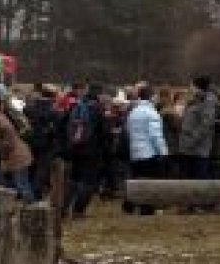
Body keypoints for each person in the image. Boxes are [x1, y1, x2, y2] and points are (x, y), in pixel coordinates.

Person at [62, 85, 113, 218]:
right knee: (88, 182)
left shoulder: (76, 106)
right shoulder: (98, 110)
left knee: (74, 179)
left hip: (75, 148)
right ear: (99, 95)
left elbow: (63, 124)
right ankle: (78, 211)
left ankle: (63, 208)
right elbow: (105, 133)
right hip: (92, 151)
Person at [123, 83, 169, 215]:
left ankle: (130, 204)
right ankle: (146, 208)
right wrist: (163, 152)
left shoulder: (134, 112)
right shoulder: (151, 113)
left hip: (135, 151)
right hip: (149, 152)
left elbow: (128, 130)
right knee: (149, 181)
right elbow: (156, 135)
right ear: (151, 97)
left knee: (137, 179)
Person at [0, 91, 36, 201]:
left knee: (21, 184)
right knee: (6, 183)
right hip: (14, 155)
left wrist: (3, 149)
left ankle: (30, 204)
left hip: (16, 156)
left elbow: (8, 132)